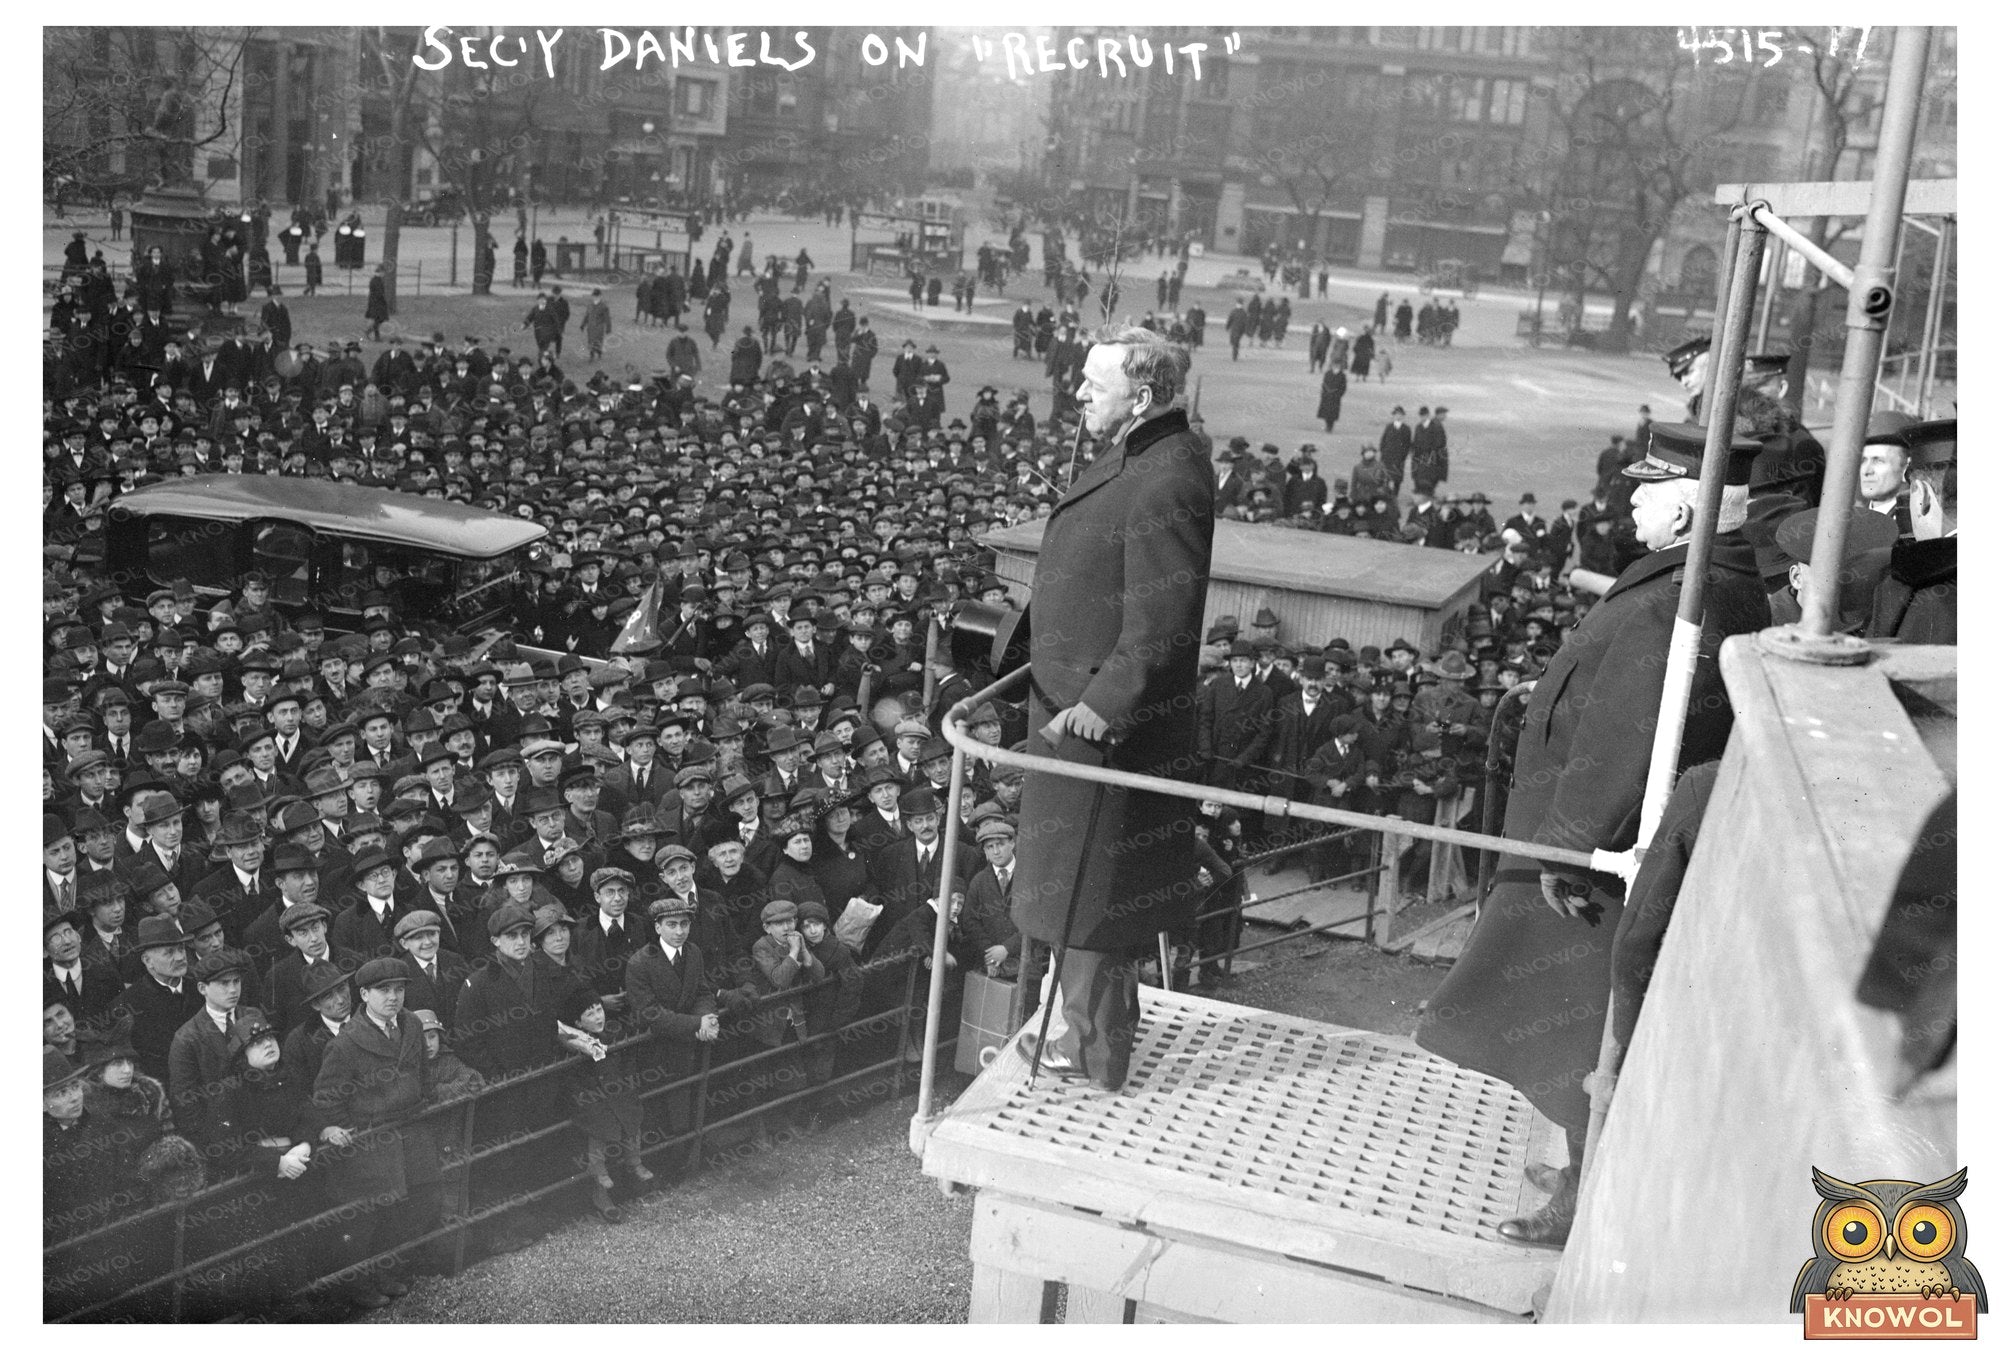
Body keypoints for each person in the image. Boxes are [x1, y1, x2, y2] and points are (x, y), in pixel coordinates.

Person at [1414, 422, 1771, 1250]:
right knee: (1575, 1015)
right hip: (1598, 846)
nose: (1631, 498)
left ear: (1686, 513)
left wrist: (1570, 843)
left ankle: (1586, 1194)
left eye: (1648, 490)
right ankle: (1582, 1164)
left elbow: (1628, 732)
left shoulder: (1679, 599)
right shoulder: (1695, 581)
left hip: (1594, 862)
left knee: (1581, 1020)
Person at [970, 323, 1214, 1092]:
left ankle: (1092, 1049)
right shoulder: (1147, 454)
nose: (1076, 392)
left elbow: (1163, 620)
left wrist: (1102, 705)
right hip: (1073, 706)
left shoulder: (1168, 474)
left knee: (1097, 895)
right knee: (1082, 890)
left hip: (1101, 727)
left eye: (1092, 383)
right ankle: (1084, 1033)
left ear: (1140, 396)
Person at [312, 956, 440, 1310]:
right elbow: (326, 1098)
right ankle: (360, 1285)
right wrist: (337, 1128)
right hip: (371, 1139)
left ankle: (386, 1272)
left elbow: (423, 1072)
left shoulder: (411, 1024)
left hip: (410, 1127)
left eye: (399, 989)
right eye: (384, 990)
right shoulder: (346, 1043)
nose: (393, 997)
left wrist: (422, 1098)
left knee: (410, 1207)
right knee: (369, 1216)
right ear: (364, 994)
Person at [364, 265, 389, 341]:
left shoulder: (376, 280)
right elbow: (379, 293)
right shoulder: (376, 281)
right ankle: (376, 337)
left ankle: (369, 332)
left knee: (379, 320)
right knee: (378, 320)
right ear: (380, 272)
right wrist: (383, 301)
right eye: (383, 272)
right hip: (377, 303)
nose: (384, 274)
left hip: (375, 303)